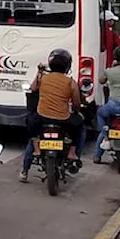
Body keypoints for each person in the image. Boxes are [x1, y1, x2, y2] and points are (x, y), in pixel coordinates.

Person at [19, 48, 83, 182]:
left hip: (42, 118)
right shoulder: (71, 82)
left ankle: (33, 156)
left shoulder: (43, 77)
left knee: (32, 131)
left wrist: (39, 71)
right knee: (80, 127)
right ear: (68, 66)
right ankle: (72, 152)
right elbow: (77, 104)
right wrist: (75, 111)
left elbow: (32, 89)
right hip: (63, 120)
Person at [93, 46, 120, 163]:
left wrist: (112, 68)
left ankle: (100, 148)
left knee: (101, 115)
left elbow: (101, 81)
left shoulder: (109, 71)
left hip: (112, 106)